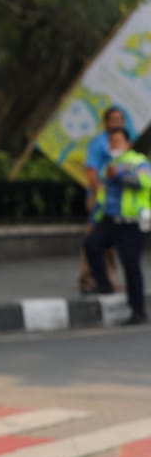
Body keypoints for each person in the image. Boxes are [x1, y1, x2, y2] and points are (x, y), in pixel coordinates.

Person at [82, 125, 150, 325]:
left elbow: (145, 183)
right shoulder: (109, 165)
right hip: (109, 220)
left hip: (131, 223)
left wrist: (119, 176)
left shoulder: (139, 162)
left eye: (118, 142)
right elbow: (102, 195)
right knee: (91, 244)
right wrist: (94, 220)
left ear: (128, 144)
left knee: (130, 265)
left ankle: (138, 311)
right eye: (111, 142)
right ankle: (104, 284)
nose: (114, 145)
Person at [80, 106, 132, 294]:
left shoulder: (127, 143)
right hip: (100, 200)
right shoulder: (99, 143)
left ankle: (110, 280)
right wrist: (98, 195)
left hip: (122, 206)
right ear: (106, 122)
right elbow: (92, 171)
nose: (117, 123)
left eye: (120, 119)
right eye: (113, 119)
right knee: (93, 240)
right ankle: (88, 278)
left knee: (112, 247)